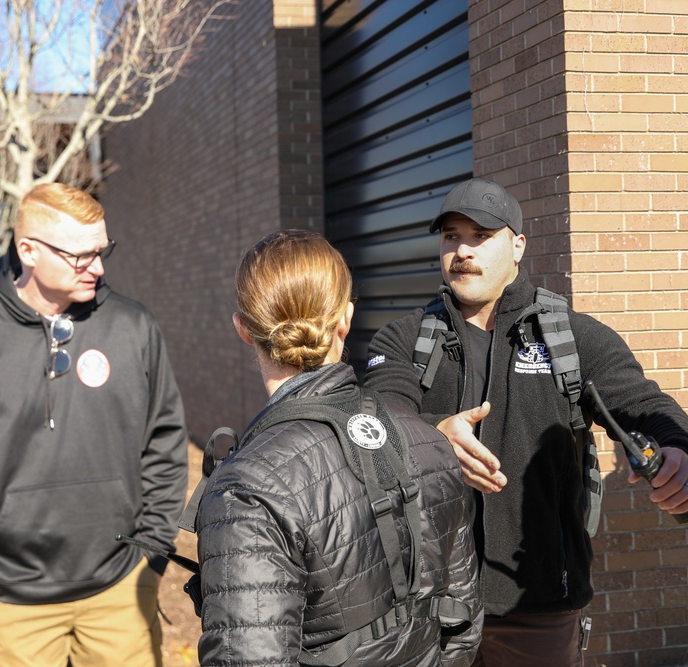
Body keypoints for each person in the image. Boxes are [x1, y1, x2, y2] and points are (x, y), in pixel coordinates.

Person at [363, 178, 688, 666]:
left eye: (480, 235)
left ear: (517, 245)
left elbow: (644, 404)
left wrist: (680, 450)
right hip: (423, 607)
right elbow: (378, 417)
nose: (461, 250)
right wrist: (434, 437)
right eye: (450, 236)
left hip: (536, 607)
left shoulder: (572, 338)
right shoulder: (403, 339)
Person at [0, 183, 188, 667]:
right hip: (10, 603)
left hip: (121, 592)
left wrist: (149, 557)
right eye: (81, 256)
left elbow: (164, 446)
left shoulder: (134, 328)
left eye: (102, 251)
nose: (99, 267)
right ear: (28, 250)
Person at [194, 230, 482, 665]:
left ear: (243, 330)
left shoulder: (246, 488)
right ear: (345, 317)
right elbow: (464, 623)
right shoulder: (431, 442)